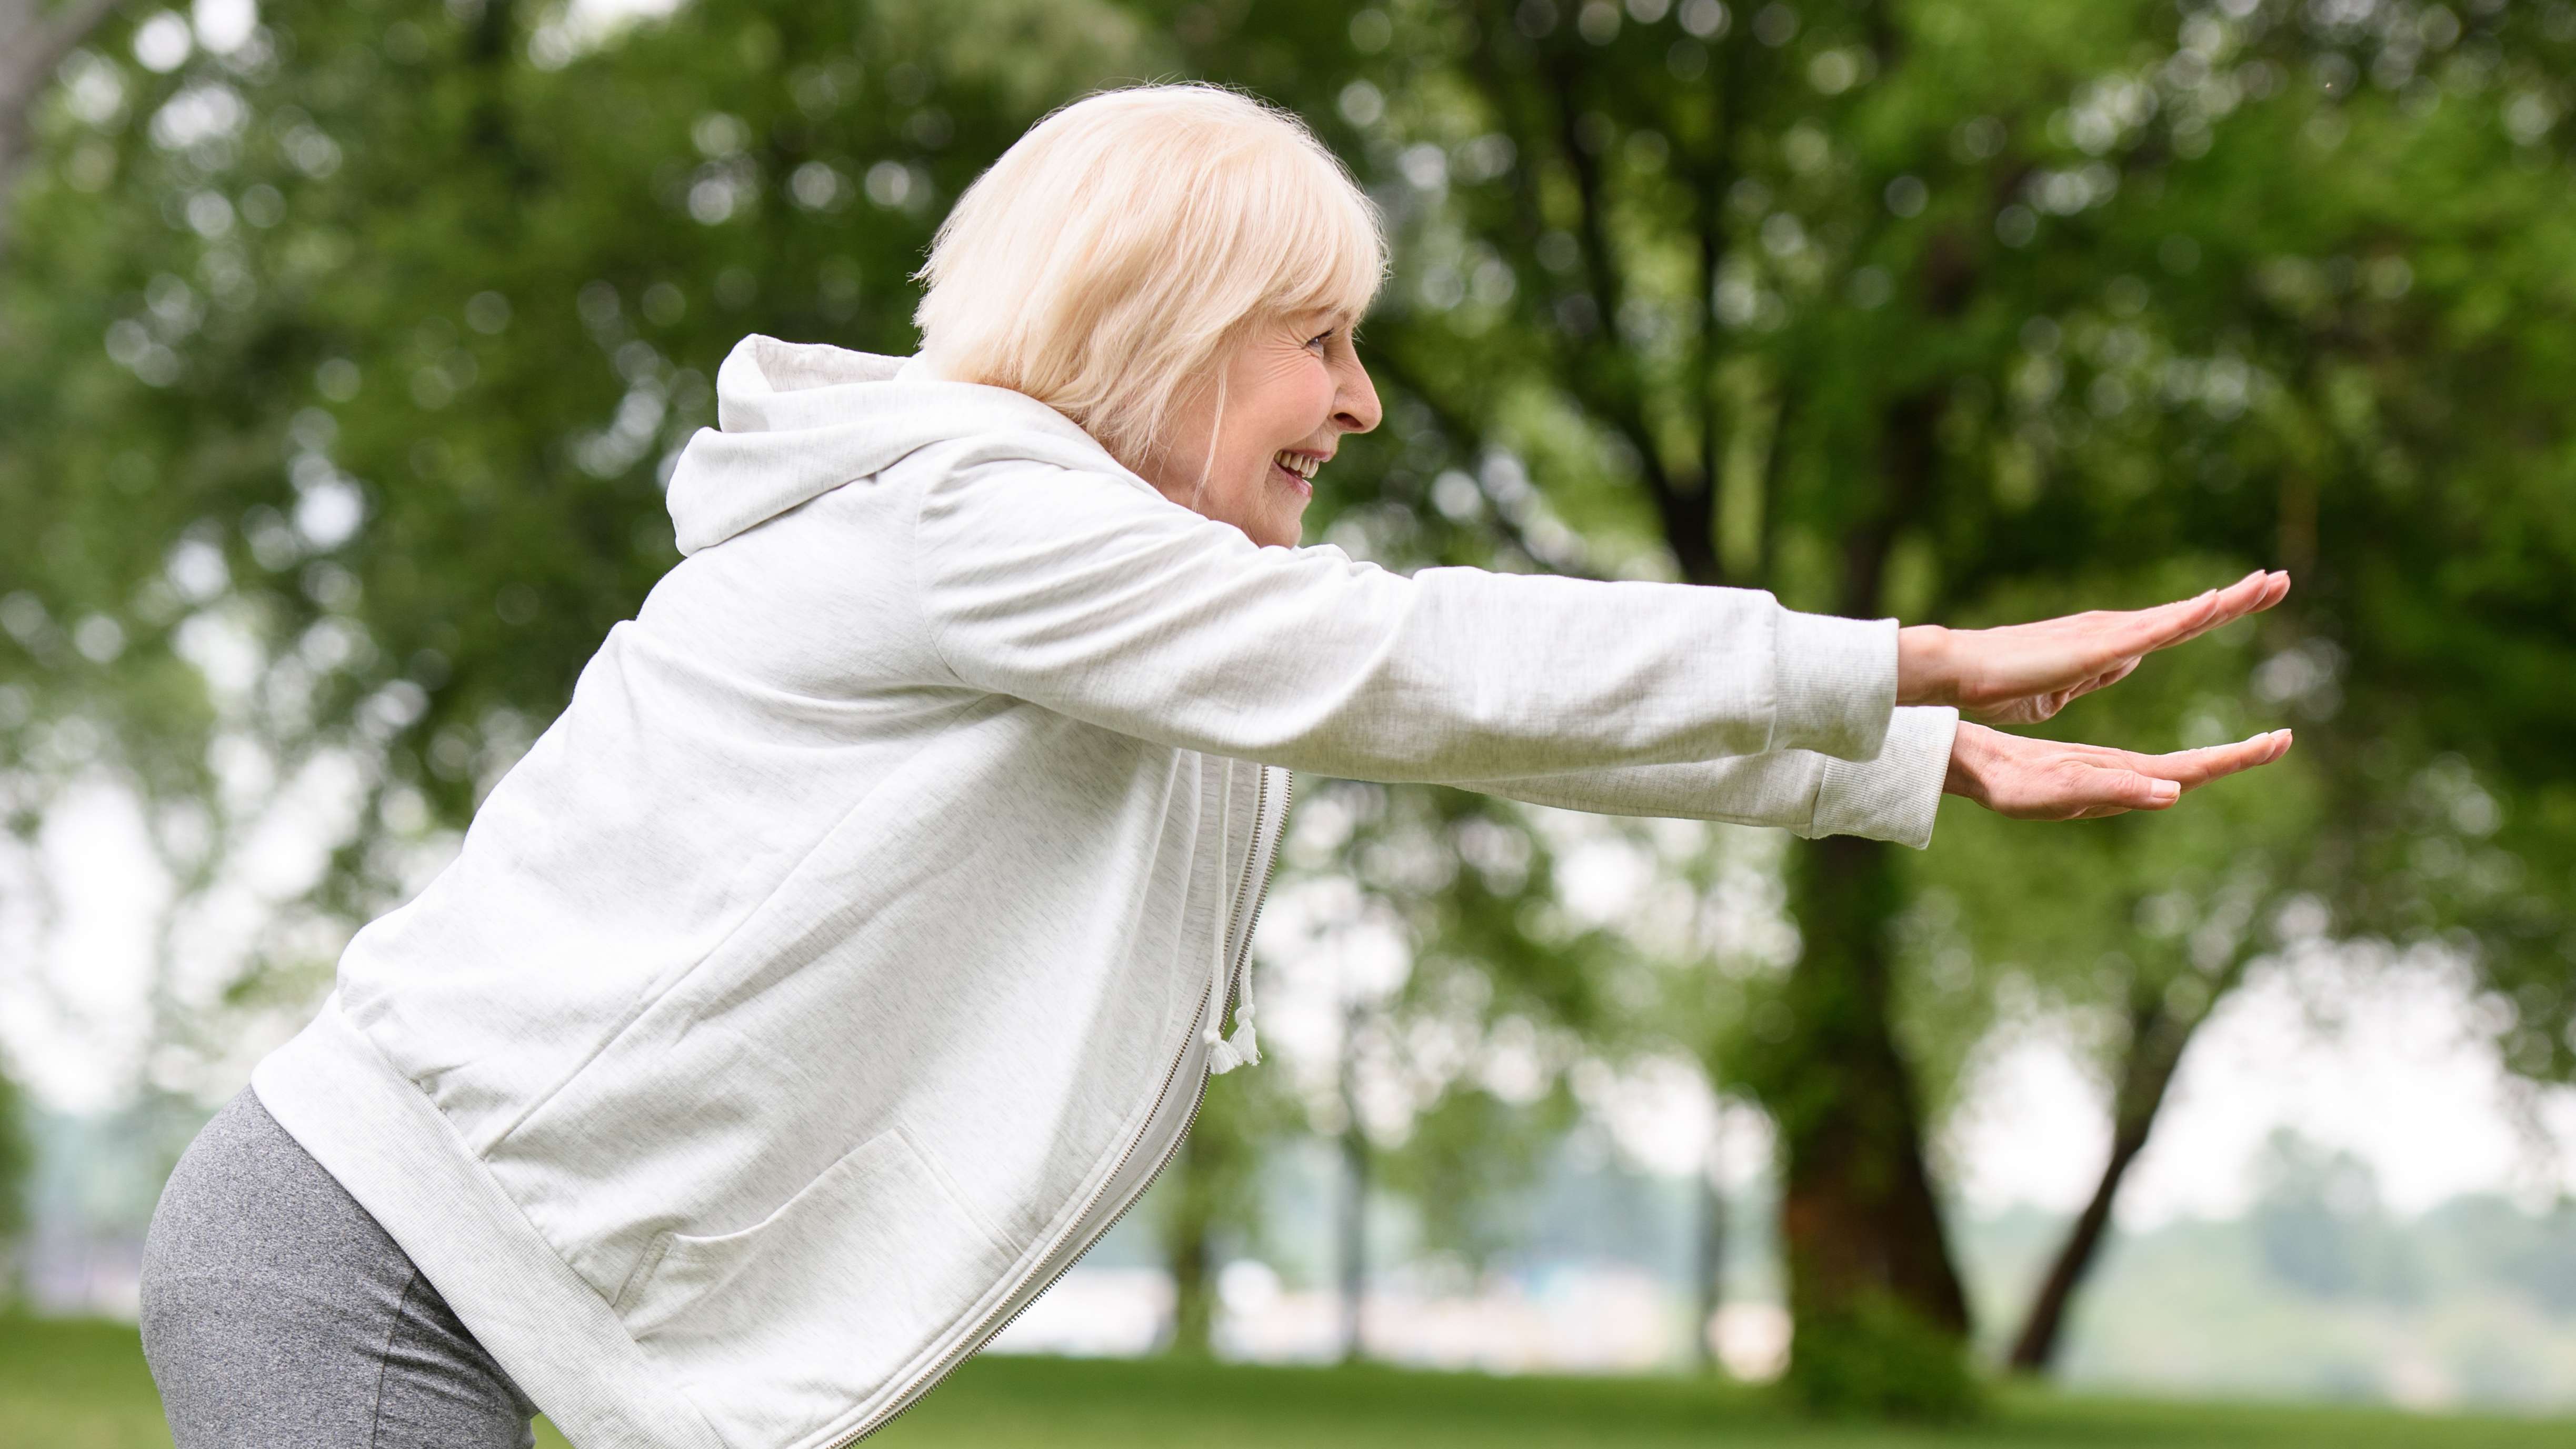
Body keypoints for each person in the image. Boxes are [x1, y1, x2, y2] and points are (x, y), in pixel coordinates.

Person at [138, 84, 2290, 1449]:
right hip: (362, 1247)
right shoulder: (969, 528)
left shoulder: (1121, 606)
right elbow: (1416, 652)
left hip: (456, 1264)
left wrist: (1894, 760)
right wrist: (1900, 655)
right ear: (1160, 321)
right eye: (1321, 338)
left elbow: (1463, 710)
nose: (1359, 403)